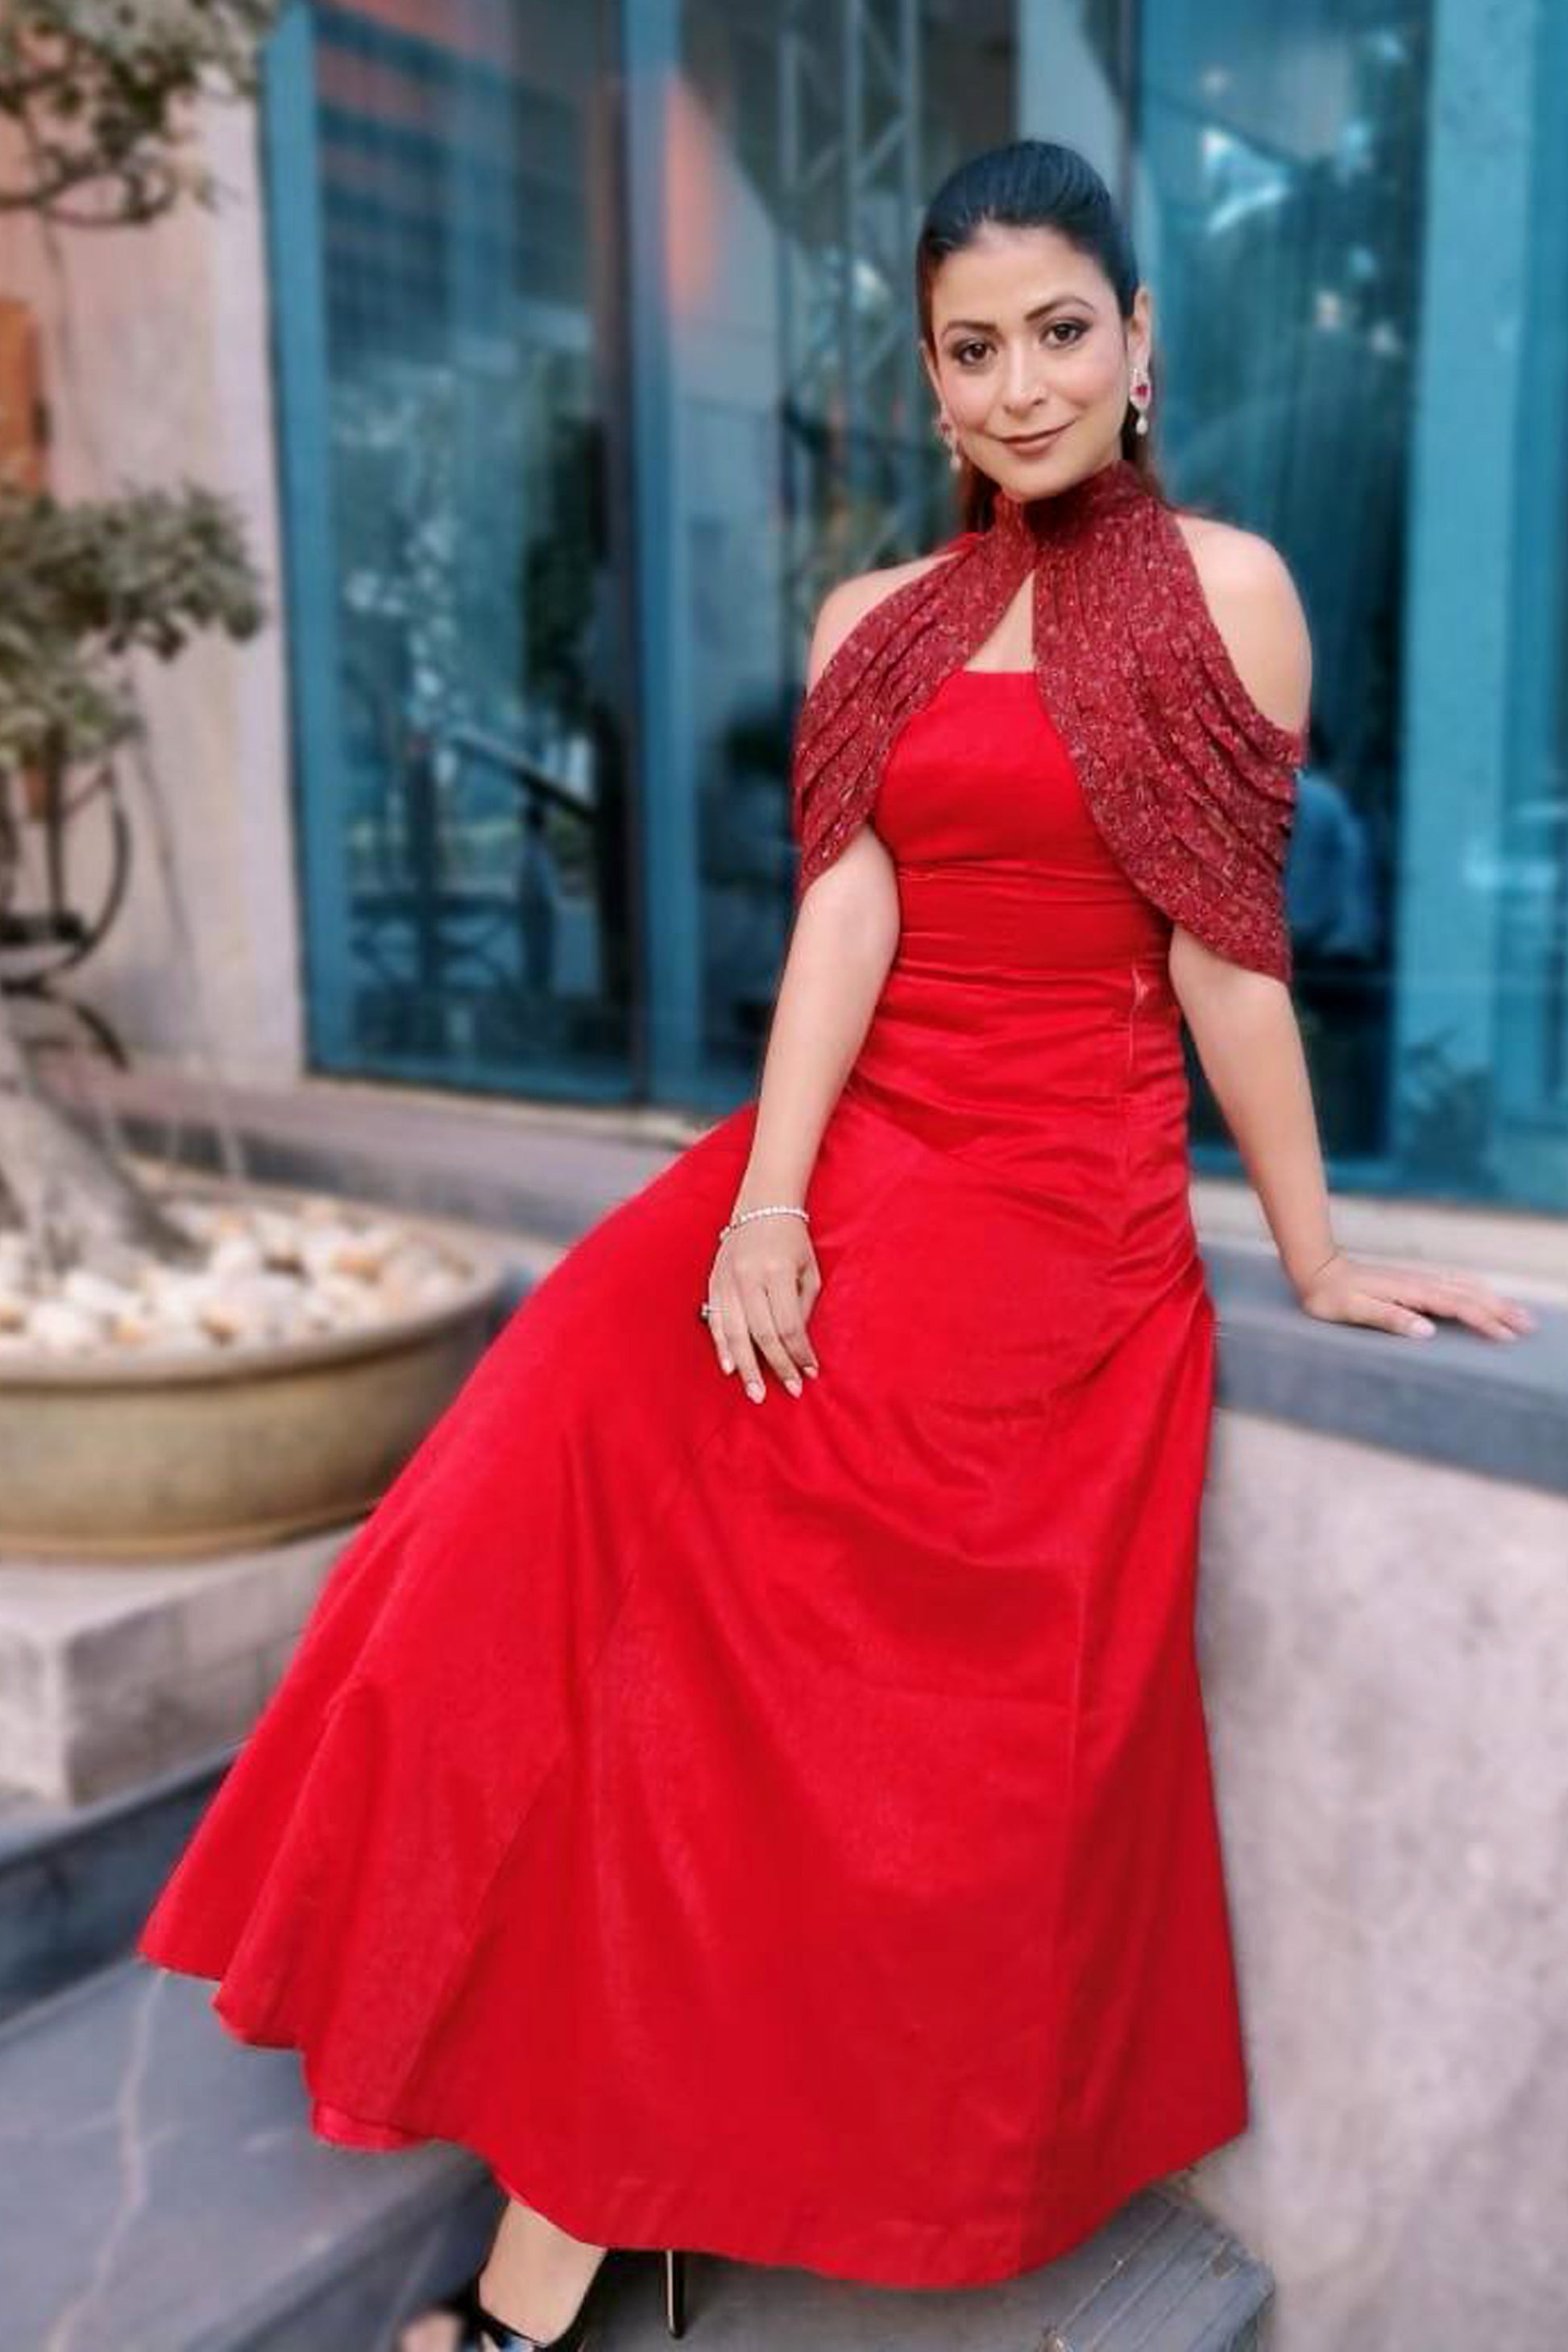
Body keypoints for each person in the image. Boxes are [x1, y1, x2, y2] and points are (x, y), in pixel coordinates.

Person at [135, 139, 1535, 2352]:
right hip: (851, 1145)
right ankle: (540, 2121)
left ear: (1141, 343)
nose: (1019, 384)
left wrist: (1317, 1252)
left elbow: (1226, 960)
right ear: (927, 374)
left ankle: (549, 2266)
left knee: (757, 1653)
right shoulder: (869, 619)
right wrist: (765, 1205)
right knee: (511, 1493)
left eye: (1059, 332)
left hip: (1052, 1206)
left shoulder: (1231, 593)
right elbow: (846, 918)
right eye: (972, 348)